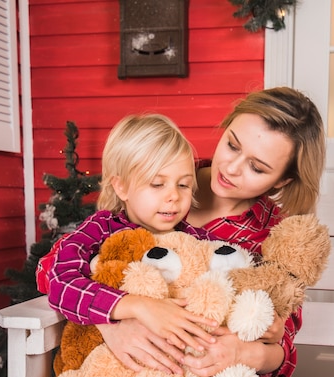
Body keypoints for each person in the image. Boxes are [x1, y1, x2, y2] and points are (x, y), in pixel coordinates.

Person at [98, 86, 327, 377]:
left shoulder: (274, 234)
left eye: (258, 168)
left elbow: (283, 347)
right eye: (232, 144)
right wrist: (112, 326)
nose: (232, 168)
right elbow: (74, 267)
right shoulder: (160, 179)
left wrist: (246, 353)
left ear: (282, 181)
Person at [42, 113, 221, 354]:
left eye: (183, 184)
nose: (174, 196)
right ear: (121, 186)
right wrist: (138, 306)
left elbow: (238, 271)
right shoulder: (100, 230)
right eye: (157, 184)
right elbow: (60, 283)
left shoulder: (195, 240)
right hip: (115, 364)